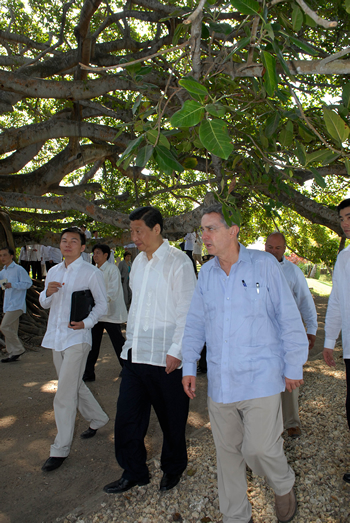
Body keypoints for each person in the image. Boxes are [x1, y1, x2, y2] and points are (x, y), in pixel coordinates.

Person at [182, 204, 309, 523]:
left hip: (262, 378)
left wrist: (294, 366)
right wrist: (187, 365)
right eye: (202, 230)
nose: (204, 236)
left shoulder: (264, 265)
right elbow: (195, 323)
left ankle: (283, 483)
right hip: (222, 383)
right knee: (227, 457)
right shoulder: (207, 274)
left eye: (211, 228)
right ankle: (237, 516)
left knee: (259, 449)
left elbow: (288, 317)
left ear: (233, 231)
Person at [103, 206, 197, 495]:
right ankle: (134, 471)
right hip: (135, 354)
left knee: (172, 421)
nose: (134, 237)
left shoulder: (178, 261)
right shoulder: (139, 264)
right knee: (127, 418)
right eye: (132, 231)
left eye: (139, 231)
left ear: (156, 229)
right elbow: (137, 308)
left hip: (165, 356)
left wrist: (177, 350)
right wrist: (128, 343)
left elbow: (187, 311)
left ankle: (173, 468)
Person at [39, 227, 109, 472]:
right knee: (74, 385)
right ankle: (98, 418)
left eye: (73, 241)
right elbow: (45, 303)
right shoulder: (54, 271)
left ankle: (60, 449)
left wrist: (86, 323)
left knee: (64, 394)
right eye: (64, 240)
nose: (67, 244)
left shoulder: (91, 273)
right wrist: (46, 293)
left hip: (77, 339)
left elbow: (102, 304)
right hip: (56, 339)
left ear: (82, 247)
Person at [265, 232, 318, 438]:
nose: (272, 251)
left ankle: (291, 422)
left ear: (284, 249)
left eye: (277, 248)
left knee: (291, 378)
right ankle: (270, 425)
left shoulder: (294, 272)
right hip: (264, 335)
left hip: (288, 334)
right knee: (266, 380)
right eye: (269, 247)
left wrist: (311, 329)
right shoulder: (255, 268)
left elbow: (305, 300)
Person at [323, 198, 350, 485]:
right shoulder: (344, 258)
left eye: (349, 216)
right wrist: (329, 340)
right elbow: (338, 302)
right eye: (341, 218)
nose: (344, 222)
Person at [83, 244, 127, 382]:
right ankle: (89, 373)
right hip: (98, 314)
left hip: (110, 313)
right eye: (93, 253)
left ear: (106, 255)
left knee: (118, 342)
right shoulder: (93, 270)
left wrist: (101, 302)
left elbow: (113, 291)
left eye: (98, 253)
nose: (95, 256)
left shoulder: (112, 269)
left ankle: (127, 368)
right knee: (93, 343)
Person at [0, 247, 32, 363]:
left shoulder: (19, 269)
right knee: (11, 329)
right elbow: (3, 286)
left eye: (4, 255)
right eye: (0, 255)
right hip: (7, 304)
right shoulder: (3, 272)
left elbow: (28, 283)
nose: (2, 258)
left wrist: (12, 285)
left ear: (11, 256)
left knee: (4, 326)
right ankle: (12, 353)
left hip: (17, 304)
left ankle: (18, 348)